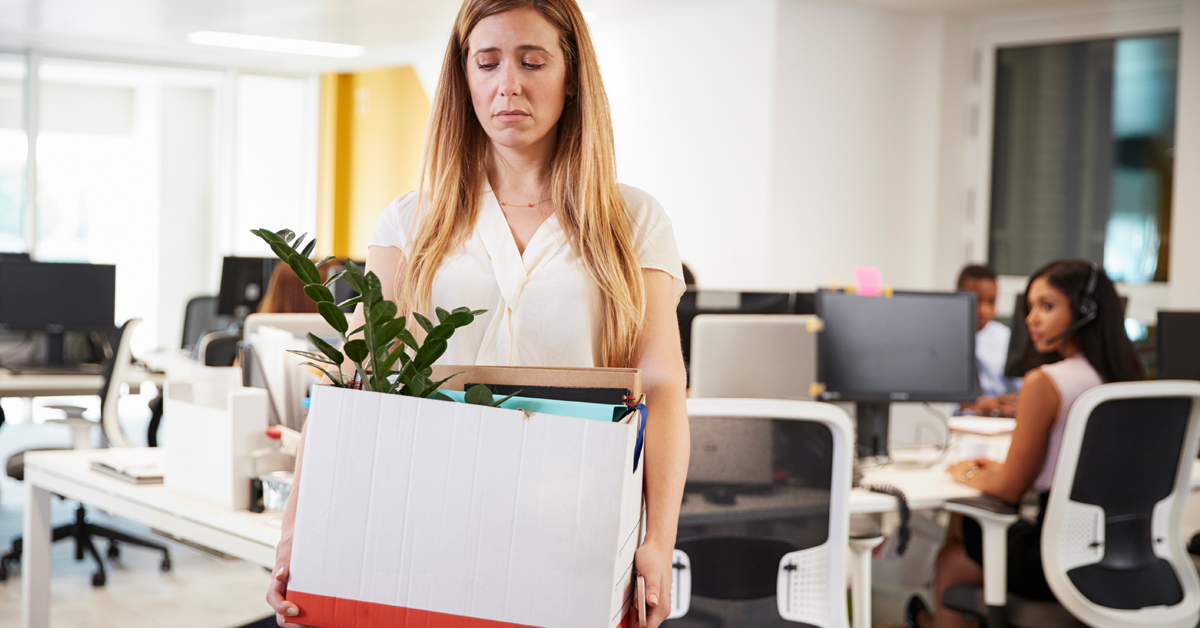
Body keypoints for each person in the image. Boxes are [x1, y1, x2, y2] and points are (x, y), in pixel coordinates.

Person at [266, 2, 690, 627]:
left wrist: (661, 538)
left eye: (532, 61)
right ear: (463, 79)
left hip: (576, 526)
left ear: (572, 75)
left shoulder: (632, 220)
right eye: (486, 63)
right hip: (427, 518)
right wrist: (295, 530)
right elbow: (353, 383)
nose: (507, 85)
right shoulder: (413, 221)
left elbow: (662, 385)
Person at [912, 260, 1144, 628]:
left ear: (1085, 311)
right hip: (1131, 554)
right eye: (1031, 307)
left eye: (1046, 306)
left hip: (1059, 557)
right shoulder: (1128, 380)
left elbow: (1008, 491)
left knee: (955, 553)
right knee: (968, 529)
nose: (1032, 319)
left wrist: (968, 471)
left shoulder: (1045, 382)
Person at [955, 264, 1019, 417]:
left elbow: (1023, 387)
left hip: (995, 421)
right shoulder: (940, 340)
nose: (984, 310)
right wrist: (973, 404)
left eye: (991, 302)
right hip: (951, 422)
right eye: (977, 300)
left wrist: (1012, 403)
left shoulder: (1005, 338)